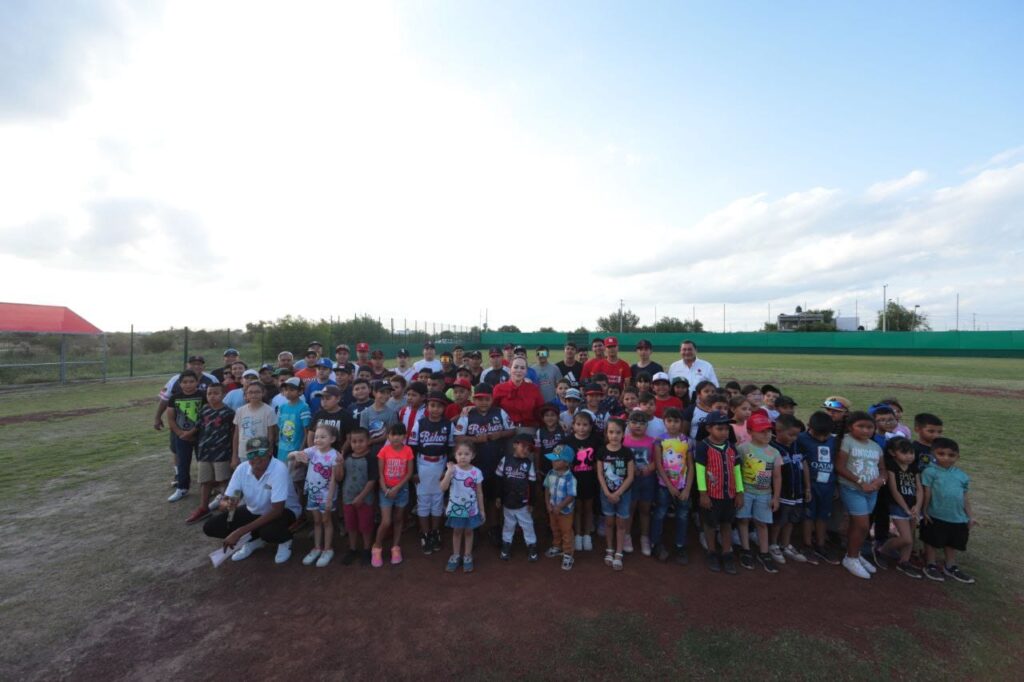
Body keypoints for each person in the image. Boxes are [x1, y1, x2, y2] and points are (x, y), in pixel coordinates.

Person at [204, 436, 302, 564]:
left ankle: (285, 540)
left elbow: (277, 510)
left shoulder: (278, 469)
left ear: (269, 452)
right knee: (211, 526)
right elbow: (229, 500)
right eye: (251, 454)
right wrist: (227, 505)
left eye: (261, 453)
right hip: (254, 510)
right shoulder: (242, 469)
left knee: (268, 531)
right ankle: (254, 540)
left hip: (284, 510)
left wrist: (240, 531)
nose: (256, 457)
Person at [453, 383, 516, 544]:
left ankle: (494, 527)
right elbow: (458, 437)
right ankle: (473, 529)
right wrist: (475, 439)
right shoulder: (468, 414)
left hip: (496, 461)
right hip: (474, 465)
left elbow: (512, 430)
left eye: (487, 399)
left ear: (492, 399)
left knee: (493, 497)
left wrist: (500, 433)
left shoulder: (499, 412)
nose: (483, 402)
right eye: (479, 399)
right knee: (472, 496)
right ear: (474, 399)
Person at [836, 411, 886, 579]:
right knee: (863, 525)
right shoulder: (847, 442)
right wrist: (861, 482)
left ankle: (854, 554)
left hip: (872, 491)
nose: (866, 430)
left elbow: (883, 469)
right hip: (852, 489)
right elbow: (841, 467)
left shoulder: (875, 446)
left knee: (857, 525)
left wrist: (880, 481)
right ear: (851, 427)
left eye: (870, 427)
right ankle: (851, 558)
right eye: (861, 426)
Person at [920, 437, 976, 583]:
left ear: (958, 456)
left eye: (951, 455)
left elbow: (964, 497)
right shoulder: (930, 472)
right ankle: (930, 564)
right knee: (931, 540)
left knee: (952, 543)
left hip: (957, 517)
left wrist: (970, 516)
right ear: (933, 454)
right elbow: (927, 492)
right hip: (935, 514)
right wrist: (924, 511)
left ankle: (950, 566)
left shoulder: (961, 475)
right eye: (941, 454)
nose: (946, 458)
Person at [694, 412, 743, 574]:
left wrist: (740, 492)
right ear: (709, 428)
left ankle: (727, 553)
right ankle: (712, 552)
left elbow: (736, 469)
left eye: (726, 429)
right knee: (710, 524)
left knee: (727, 523)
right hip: (712, 495)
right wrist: (703, 493)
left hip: (729, 494)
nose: (724, 432)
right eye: (719, 428)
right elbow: (700, 471)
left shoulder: (731, 447)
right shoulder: (703, 446)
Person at [735, 411, 783, 573]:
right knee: (743, 520)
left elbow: (777, 476)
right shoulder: (742, 449)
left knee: (762, 523)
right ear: (750, 432)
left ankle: (764, 552)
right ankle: (745, 549)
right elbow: (736, 471)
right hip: (746, 492)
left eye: (769, 430)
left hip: (764, 494)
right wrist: (738, 492)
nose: (767, 434)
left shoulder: (774, 452)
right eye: (762, 431)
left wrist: (776, 497)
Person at [288, 424, 340, 568]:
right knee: (316, 521)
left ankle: (328, 549)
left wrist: (329, 498)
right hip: (312, 493)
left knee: (326, 521)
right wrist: (295, 454)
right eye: (316, 437)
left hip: (326, 496)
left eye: (323, 437)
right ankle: (317, 547)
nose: (318, 440)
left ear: (333, 439)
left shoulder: (335, 455)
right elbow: (291, 455)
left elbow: (334, 479)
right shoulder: (313, 451)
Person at [409, 392, 455, 555]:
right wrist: (413, 471)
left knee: (437, 500)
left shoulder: (448, 425)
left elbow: (451, 449)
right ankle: (425, 533)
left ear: (444, 408)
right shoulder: (420, 423)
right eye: (432, 405)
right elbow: (412, 449)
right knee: (423, 501)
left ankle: (435, 532)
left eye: (439, 406)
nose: (435, 409)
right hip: (422, 463)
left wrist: (446, 470)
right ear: (427, 407)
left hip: (440, 463)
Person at [796, 411, 841, 565]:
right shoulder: (801, 439)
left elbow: (836, 463)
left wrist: (835, 486)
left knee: (823, 516)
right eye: (818, 435)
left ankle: (821, 544)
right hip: (810, 486)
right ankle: (807, 545)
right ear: (809, 428)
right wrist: (806, 487)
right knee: (809, 515)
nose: (822, 439)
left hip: (827, 486)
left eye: (825, 435)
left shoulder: (834, 441)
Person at [187, 382, 235, 524]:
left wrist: (233, 454)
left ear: (223, 395)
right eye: (209, 393)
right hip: (204, 452)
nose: (212, 396)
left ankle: (227, 510)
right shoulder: (204, 410)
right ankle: (203, 508)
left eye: (216, 393)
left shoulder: (229, 413)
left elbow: (233, 434)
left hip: (222, 453)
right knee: (205, 481)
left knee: (223, 481)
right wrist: (185, 434)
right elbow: (198, 427)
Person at [651, 408, 693, 563]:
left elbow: (690, 466)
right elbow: (659, 464)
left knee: (682, 515)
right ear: (664, 422)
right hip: (664, 485)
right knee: (660, 513)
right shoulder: (659, 441)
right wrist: (669, 485)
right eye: (669, 421)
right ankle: (656, 543)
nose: (673, 424)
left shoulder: (687, 441)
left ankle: (680, 545)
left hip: (682, 486)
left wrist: (687, 488)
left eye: (676, 421)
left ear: (681, 423)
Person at [877, 437, 923, 578]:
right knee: (906, 538)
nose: (909, 456)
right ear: (892, 453)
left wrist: (917, 505)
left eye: (911, 453)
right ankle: (882, 550)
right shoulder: (892, 468)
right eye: (905, 453)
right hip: (899, 506)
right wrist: (905, 508)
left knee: (911, 537)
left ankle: (904, 561)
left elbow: (919, 489)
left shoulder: (913, 468)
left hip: (913, 506)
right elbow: (894, 490)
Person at [769, 414, 811, 564]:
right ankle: (773, 544)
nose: (794, 438)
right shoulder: (772, 447)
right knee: (779, 520)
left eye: (796, 435)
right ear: (778, 431)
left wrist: (807, 487)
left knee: (792, 519)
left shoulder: (796, 446)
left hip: (797, 491)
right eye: (791, 434)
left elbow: (804, 466)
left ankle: (785, 544)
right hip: (782, 492)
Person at [372, 424, 414, 567]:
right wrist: (385, 489)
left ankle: (395, 547)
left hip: (401, 490)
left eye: (399, 434)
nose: (396, 438)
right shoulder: (384, 451)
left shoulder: (408, 450)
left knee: (398, 519)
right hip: (386, 490)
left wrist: (396, 488)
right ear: (388, 436)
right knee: (386, 521)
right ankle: (377, 547)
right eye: (392, 434)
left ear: (404, 436)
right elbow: (381, 473)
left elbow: (409, 473)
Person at [596, 418, 635, 571]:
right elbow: (599, 474)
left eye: (618, 432)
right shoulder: (602, 451)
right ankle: (609, 549)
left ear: (623, 434)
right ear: (606, 433)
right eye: (611, 432)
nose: (614, 436)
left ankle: (619, 552)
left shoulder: (627, 452)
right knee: (609, 522)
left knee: (620, 523)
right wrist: (607, 492)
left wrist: (618, 492)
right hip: (606, 493)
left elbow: (630, 476)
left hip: (623, 494)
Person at [441, 442, 486, 573]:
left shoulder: (476, 472)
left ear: (473, 456)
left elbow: (479, 492)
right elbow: (442, 487)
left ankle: (467, 555)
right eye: (460, 454)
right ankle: (455, 555)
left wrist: (482, 510)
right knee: (457, 531)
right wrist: (449, 472)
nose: (463, 457)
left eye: (466, 454)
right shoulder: (453, 470)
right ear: (455, 455)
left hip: (471, 509)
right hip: (456, 508)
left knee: (469, 531)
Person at [495, 433, 539, 561]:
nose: (526, 450)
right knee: (508, 525)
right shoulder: (505, 460)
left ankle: (531, 546)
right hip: (508, 500)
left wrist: (532, 502)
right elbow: (498, 479)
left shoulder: (529, 464)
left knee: (527, 525)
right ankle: (506, 545)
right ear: (515, 445)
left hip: (523, 502)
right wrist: (498, 496)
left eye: (529, 449)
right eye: (523, 446)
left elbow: (532, 484)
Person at [165, 370, 205, 503]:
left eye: (191, 381)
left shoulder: (203, 396)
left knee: (204, 462)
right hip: (181, 436)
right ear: (180, 383)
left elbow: (206, 416)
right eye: (185, 382)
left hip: (201, 435)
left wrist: (192, 432)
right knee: (183, 462)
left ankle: (207, 486)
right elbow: (171, 418)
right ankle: (182, 488)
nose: (188, 385)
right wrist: (180, 433)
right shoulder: (174, 398)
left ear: (197, 382)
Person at [339, 427, 378, 566]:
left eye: (361, 441)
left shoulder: (371, 458)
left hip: (365, 499)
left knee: (365, 525)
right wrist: (338, 464)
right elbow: (340, 476)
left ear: (368, 441)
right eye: (354, 441)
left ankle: (367, 549)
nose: (357, 444)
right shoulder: (347, 457)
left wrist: (361, 497)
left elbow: (372, 480)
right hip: (348, 497)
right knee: (351, 525)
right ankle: (352, 548)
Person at [624, 410, 660, 556]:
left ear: (647, 425)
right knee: (630, 508)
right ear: (628, 423)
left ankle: (644, 537)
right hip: (630, 481)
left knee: (645, 509)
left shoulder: (652, 441)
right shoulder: (624, 440)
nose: (637, 426)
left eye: (641, 423)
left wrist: (649, 468)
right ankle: (626, 536)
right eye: (634, 422)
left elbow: (657, 461)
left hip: (647, 480)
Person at [566, 411, 600, 552]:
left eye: (585, 425)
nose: (582, 428)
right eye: (578, 424)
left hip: (590, 481)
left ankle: (587, 535)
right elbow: (557, 458)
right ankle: (578, 535)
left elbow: (600, 460)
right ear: (573, 425)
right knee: (577, 509)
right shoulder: (567, 441)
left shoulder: (596, 441)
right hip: (573, 482)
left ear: (591, 426)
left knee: (588, 508)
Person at [543, 444, 578, 570]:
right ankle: (557, 546)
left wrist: (560, 506)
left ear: (566, 463)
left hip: (565, 511)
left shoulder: (570, 478)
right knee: (554, 528)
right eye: (553, 458)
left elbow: (571, 495)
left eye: (557, 459)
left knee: (566, 531)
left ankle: (568, 554)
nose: (553, 461)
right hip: (553, 509)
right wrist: (548, 504)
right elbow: (547, 489)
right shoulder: (550, 473)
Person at [492, 357, 545, 432]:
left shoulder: (533, 389)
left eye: (522, 368)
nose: (519, 370)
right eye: (516, 367)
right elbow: (491, 409)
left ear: (526, 371)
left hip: (528, 430)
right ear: (510, 370)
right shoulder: (499, 388)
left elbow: (542, 410)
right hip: (505, 431)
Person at [232, 382, 277, 468]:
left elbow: (271, 435)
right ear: (246, 395)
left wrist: (268, 452)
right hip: (243, 453)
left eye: (257, 392)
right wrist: (234, 455)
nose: (254, 395)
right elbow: (236, 434)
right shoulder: (240, 411)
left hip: (260, 453)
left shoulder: (269, 411)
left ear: (263, 393)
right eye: (250, 392)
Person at [307, 385, 354, 453]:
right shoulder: (318, 414)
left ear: (338, 398)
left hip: (337, 455)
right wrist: (313, 453)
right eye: (322, 399)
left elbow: (349, 438)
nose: (324, 401)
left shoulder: (345, 415)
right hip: (318, 454)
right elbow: (311, 435)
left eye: (328, 398)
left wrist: (340, 453)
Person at [276, 377, 312, 464]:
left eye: (292, 390)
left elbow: (306, 432)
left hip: (295, 450)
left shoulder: (303, 407)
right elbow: (279, 427)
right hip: (282, 449)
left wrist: (301, 451)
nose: (288, 392)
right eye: (286, 389)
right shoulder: (282, 407)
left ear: (300, 391)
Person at [359, 380, 398, 456]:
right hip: (368, 450)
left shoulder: (392, 414)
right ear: (374, 393)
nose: (386, 395)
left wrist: (373, 441)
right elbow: (363, 433)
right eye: (382, 392)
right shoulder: (365, 413)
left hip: (386, 450)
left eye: (388, 393)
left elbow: (391, 434)